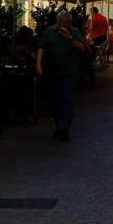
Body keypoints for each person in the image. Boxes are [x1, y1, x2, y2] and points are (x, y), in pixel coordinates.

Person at [35, 10, 86, 141]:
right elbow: (42, 47)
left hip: (69, 72)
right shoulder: (49, 31)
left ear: (70, 22)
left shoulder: (74, 32)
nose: (62, 24)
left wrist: (70, 38)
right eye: (60, 22)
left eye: (65, 22)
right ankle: (59, 125)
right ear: (57, 21)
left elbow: (81, 49)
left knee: (65, 99)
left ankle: (64, 128)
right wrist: (38, 64)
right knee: (53, 101)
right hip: (52, 72)